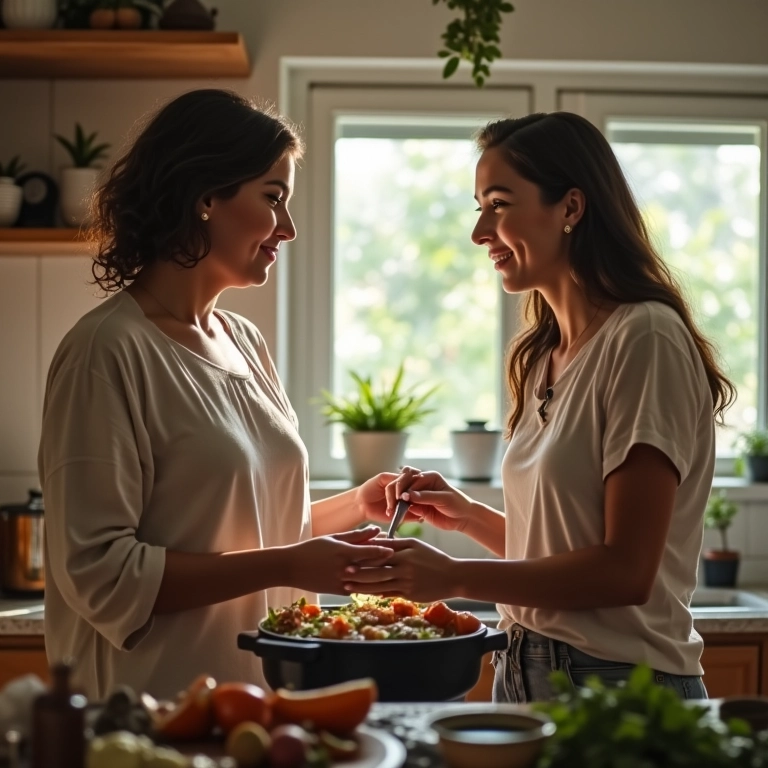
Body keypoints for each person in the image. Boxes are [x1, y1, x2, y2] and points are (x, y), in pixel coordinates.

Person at [350, 111, 735, 702]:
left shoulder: (645, 339)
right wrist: (468, 517)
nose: (480, 232)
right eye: (478, 207)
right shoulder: (542, 358)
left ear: (571, 209)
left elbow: (624, 572)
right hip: (524, 669)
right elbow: (563, 555)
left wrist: (451, 575)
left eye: (499, 204)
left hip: (619, 687)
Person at [38, 89, 398, 701]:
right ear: (205, 195)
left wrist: (358, 505)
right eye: (273, 198)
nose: (287, 228)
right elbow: (102, 576)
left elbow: (250, 531)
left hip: (265, 707)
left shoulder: (244, 342)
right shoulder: (106, 351)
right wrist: (288, 565)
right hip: (156, 718)